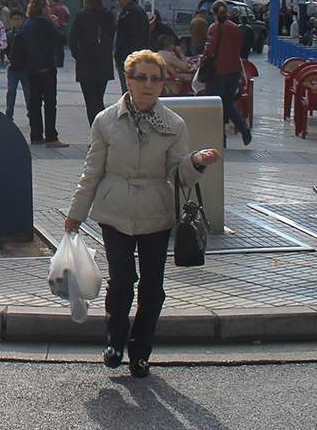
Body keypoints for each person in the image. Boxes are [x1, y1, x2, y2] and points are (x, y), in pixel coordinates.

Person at [64, 49, 221, 379]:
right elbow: (91, 170)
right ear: (128, 80)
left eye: (155, 78)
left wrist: (195, 163)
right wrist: (75, 213)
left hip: (155, 211)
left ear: (163, 84)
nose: (148, 84)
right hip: (115, 209)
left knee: (153, 287)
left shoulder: (173, 124)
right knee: (121, 281)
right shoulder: (106, 120)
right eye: (141, 77)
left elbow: (178, 174)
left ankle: (140, 352)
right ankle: (115, 342)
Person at [14, 0, 67, 147]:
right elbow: (61, 38)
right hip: (46, 67)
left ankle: (36, 135)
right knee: (50, 102)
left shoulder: (27, 23)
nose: (49, 9)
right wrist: (57, 25)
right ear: (42, 8)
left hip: (31, 68)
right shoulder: (45, 22)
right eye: (47, 6)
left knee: (34, 102)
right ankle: (51, 137)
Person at [202, 1, 251, 146]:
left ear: (214, 13)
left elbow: (209, 49)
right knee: (227, 103)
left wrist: (203, 60)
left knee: (215, 104)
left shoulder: (214, 28)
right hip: (234, 71)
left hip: (218, 71)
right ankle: (243, 128)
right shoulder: (235, 28)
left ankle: (220, 137)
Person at [69, 0, 116, 124]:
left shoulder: (81, 15)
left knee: (90, 101)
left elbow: (72, 39)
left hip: (86, 63)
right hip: (103, 62)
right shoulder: (108, 14)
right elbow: (113, 34)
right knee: (99, 99)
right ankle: (102, 130)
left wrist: (78, 55)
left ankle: (95, 131)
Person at [112, 0, 150, 89]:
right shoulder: (129, 11)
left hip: (130, 60)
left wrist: (122, 56)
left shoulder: (132, 12)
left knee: (130, 91)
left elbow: (135, 38)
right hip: (128, 59)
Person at [4, 9, 28, 121]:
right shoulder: (8, 34)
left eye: (19, 19)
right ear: (11, 21)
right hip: (12, 68)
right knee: (11, 92)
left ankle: (30, 111)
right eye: (14, 19)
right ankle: (9, 114)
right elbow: (5, 50)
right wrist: (6, 59)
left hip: (25, 68)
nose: (17, 21)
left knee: (28, 92)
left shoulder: (26, 33)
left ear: (23, 20)